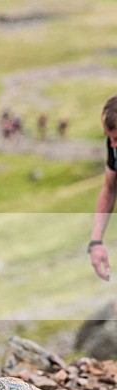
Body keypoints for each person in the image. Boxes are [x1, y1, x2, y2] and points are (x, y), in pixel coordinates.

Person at [88, 94, 117, 281]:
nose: (113, 145)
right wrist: (96, 242)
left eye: (116, 138)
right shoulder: (114, 147)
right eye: (109, 138)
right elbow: (110, 187)